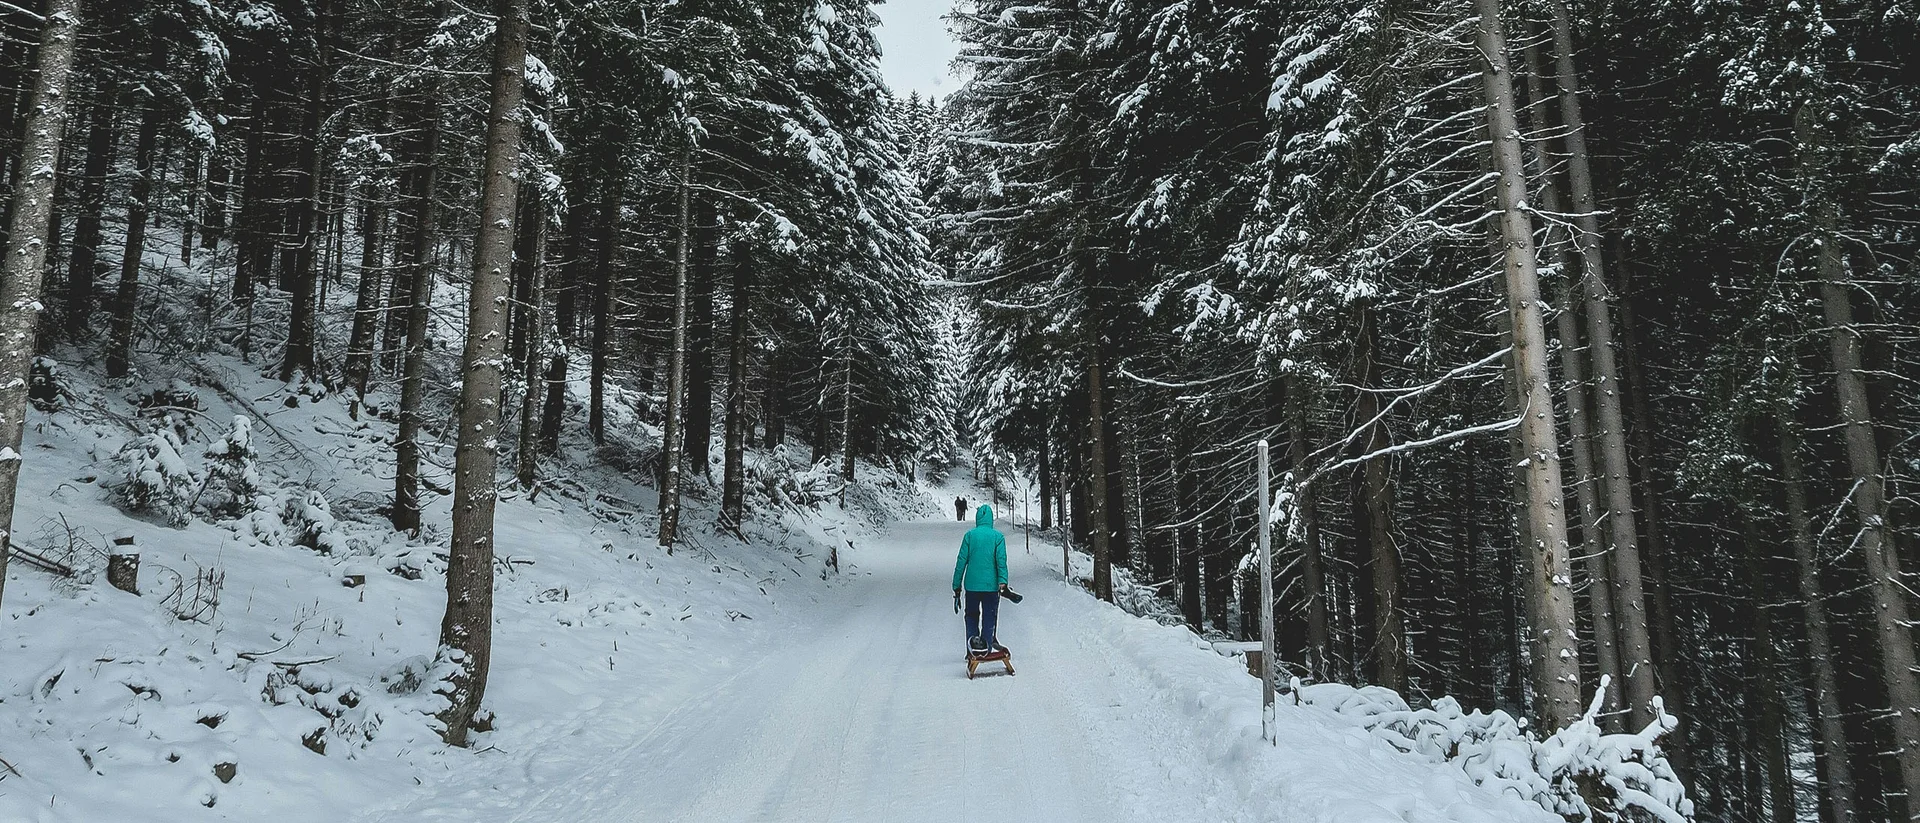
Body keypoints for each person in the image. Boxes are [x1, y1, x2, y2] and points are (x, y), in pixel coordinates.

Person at [952, 504, 1010, 653]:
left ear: (978, 519)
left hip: (971, 586)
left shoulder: (969, 536)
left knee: (971, 616)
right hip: (991, 587)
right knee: (989, 616)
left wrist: (956, 586)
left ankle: (972, 647)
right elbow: (1001, 562)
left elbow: (961, 562)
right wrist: (1002, 582)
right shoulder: (998, 537)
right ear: (991, 519)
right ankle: (987, 647)